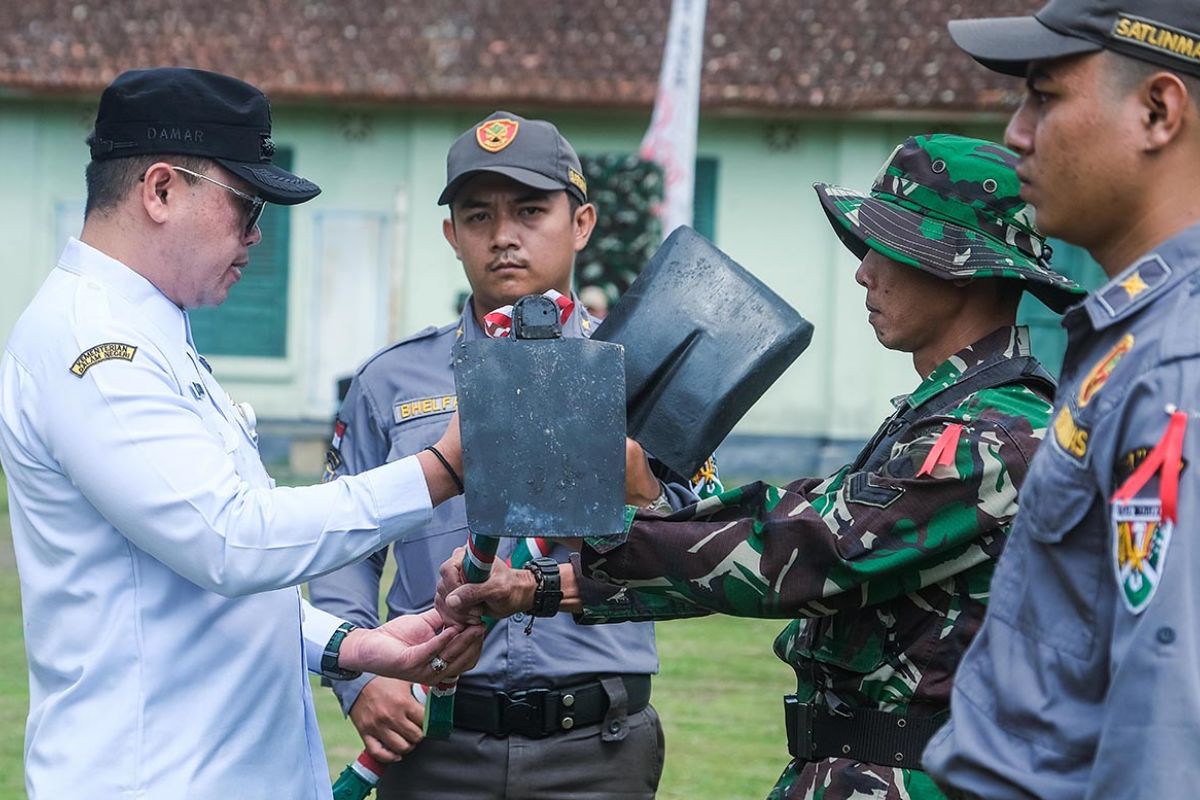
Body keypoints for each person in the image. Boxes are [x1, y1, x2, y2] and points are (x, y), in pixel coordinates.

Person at [439, 134, 1086, 800]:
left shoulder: (994, 433)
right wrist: (537, 586)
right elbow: (803, 522)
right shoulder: (947, 415)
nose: (863, 271)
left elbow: (807, 551)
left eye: (884, 250)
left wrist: (622, 512)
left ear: (958, 267)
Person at [0, 67, 487, 799]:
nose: (257, 235)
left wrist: (348, 644)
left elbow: (188, 587)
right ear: (161, 190)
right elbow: (230, 539)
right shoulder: (94, 347)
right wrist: (439, 471)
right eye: (246, 204)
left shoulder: (146, 332)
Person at [309, 111, 701, 799]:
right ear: (451, 234)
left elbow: (699, 549)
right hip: (437, 742)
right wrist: (359, 678)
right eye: (478, 216)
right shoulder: (389, 383)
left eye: (529, 210)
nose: (504, 236)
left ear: (581, 223)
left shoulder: (641, 374)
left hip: (596, 750)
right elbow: (343, 551)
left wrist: (642, 492)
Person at [918, 2, 1200, 797]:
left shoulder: (1176, 364)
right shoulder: (1135, 339)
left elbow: (1168, 734)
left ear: (1157, 111)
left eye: (1044, 97)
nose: (1015, 132)